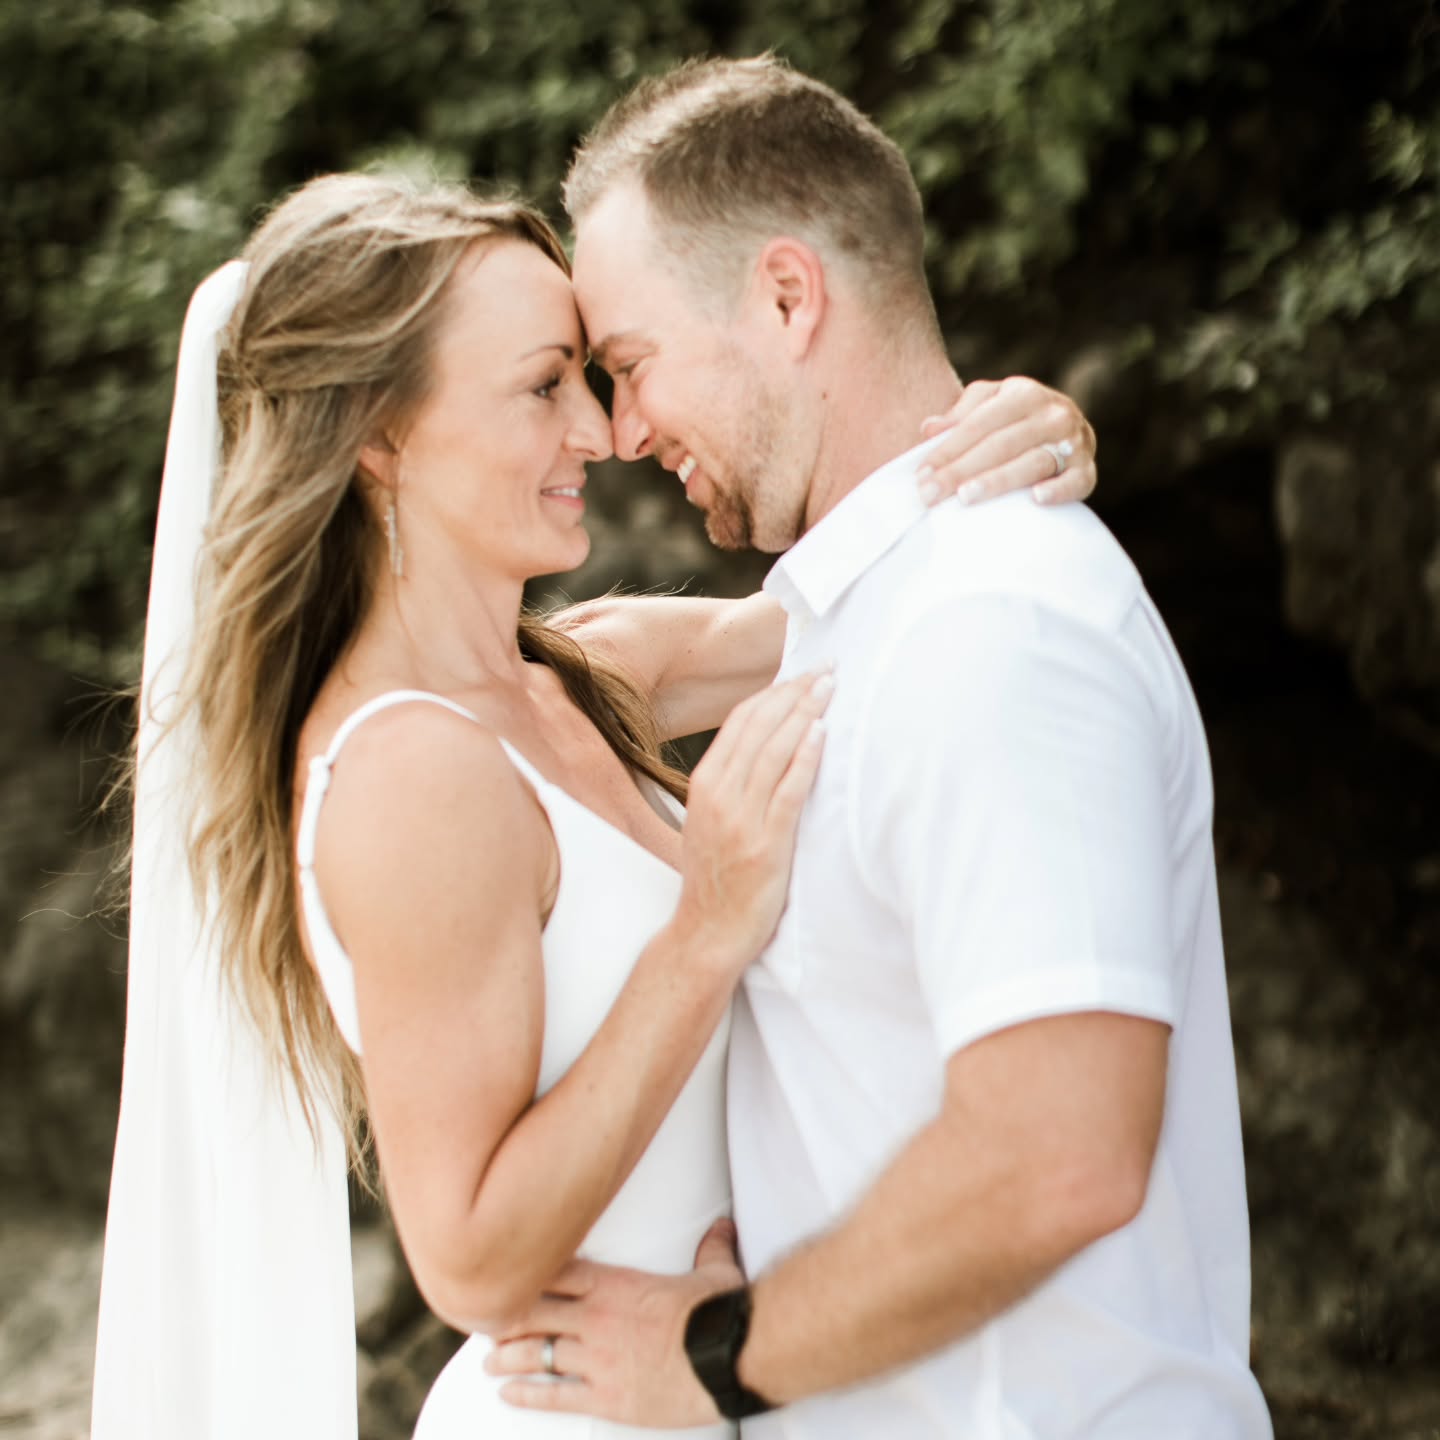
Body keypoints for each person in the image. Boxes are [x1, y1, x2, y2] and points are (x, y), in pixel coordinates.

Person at [90, 171, 1096, 1440]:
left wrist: (1025, 434)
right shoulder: (410, 776)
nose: (601, 431)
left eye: (589, 376)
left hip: (708, 1385)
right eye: (543, 385)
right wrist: (705, 930)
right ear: (380, 438)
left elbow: (879, 612)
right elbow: (463, 1257)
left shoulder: (584, 671)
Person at [486, 56, 1276, 1439]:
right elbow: (592, 665)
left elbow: (1057, 1155)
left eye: (627, 367)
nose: (616, 433)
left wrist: (721, 1355)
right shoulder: (868, 612)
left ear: (788, 297)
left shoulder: (998, 630)